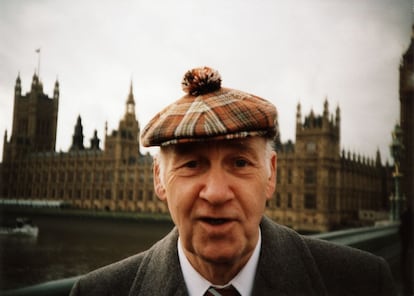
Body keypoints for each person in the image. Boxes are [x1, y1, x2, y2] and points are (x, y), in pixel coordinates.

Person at [70, 67, 396, 296]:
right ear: (159, 178)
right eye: (192, 163)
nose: (215, 192)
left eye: (240, 162)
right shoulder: (94, 292)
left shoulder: (365, 282)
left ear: (272, 174)